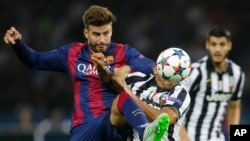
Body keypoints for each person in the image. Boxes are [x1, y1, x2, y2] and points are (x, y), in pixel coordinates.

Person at [3, 5, 169, 141]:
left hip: (115, 123)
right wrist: (19, 45)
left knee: (123, 98)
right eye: (97, 34)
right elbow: (36, 60)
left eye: (106, 33)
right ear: (86, 33)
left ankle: (147, 131)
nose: (102, 40)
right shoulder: (72, 53)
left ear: (111, 30)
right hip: (85, 126)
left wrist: (126, 69)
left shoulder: (124, 52)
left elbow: (153, 67)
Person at [92, 48, 191, 141]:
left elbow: (163, 119)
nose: (171, 81)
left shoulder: (180, 93)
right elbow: (110, 81)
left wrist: (132, 96)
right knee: (121, 98)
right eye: (167, 76)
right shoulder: (136, 79)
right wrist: (101, 68)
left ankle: (146, 133)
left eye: (176, 79)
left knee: (127, 97)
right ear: (155, 69)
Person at [179, 26, 245, 141]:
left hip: (216, 137)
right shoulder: (195, 72)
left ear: (229, 46)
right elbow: (175, 109)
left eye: (222, 44)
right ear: (207, 45)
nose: (217, 49)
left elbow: (234, 107)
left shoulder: (236, 73)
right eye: (214, 44)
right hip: (190, 137)